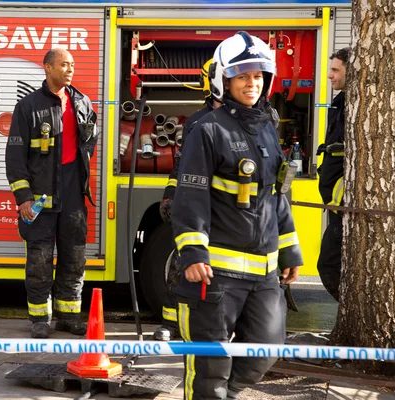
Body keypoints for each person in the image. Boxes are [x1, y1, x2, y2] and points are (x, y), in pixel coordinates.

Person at [171, 31, 303, 399]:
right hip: (216, 275)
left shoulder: (267, 128)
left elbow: (278, 195)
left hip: (265, 273)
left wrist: (290, 250)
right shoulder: (207, 129)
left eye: (259, 75)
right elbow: (190, 195)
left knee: (267, 348)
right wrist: (193, 253)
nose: (252, 83)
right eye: (243, 76)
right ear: (224, 80)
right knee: (209, 373)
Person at [5, 48, 98, 339]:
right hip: (41, 194)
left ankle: (68, 317)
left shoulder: (82, 102)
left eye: (72, 65)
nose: (70, 70)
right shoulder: (28, 106)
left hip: (72, 192)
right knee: (40, 258)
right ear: (47, 67)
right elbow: (15, 156)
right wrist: (24, 197)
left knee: (74, 256)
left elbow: (89, 140)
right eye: (63, 65)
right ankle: (39, 319)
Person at [155, 58, 222, 341]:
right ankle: (173, 324)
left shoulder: (259, 119)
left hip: (229, 210)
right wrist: (171, 196)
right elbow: (181, 168)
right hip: (195, 206)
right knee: (183, 263)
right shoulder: (197, 121)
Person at [316, 47, 350, 303]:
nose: (329, 75)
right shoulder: (341, 104)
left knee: (328, 265)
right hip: (338, 205)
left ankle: (357, 312)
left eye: (335, 69)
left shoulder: (353, 106)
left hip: (345, 207)